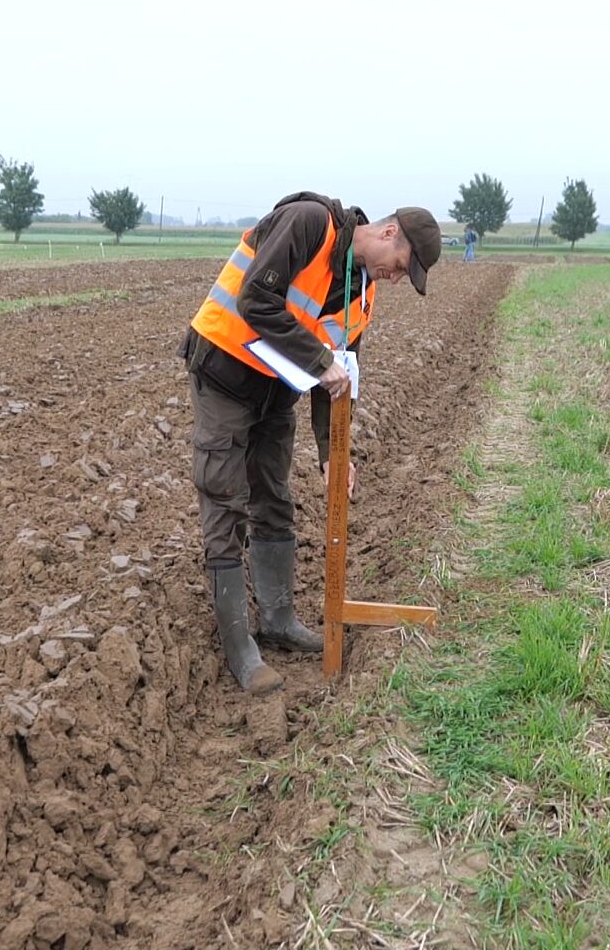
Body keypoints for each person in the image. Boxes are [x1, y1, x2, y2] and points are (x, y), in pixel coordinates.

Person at [181, 192, 440, 693]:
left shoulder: (361, 296)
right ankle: (240, 650)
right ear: (389, 234)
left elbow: (338, 376)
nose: (395, 277)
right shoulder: (308, 224)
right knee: (224, 500)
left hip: (275, 391)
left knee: (274, 498)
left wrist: (332, 455)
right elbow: (256, 299)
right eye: (401, 266)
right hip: (225, 374)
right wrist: (319, 364)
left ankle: (278, 620)